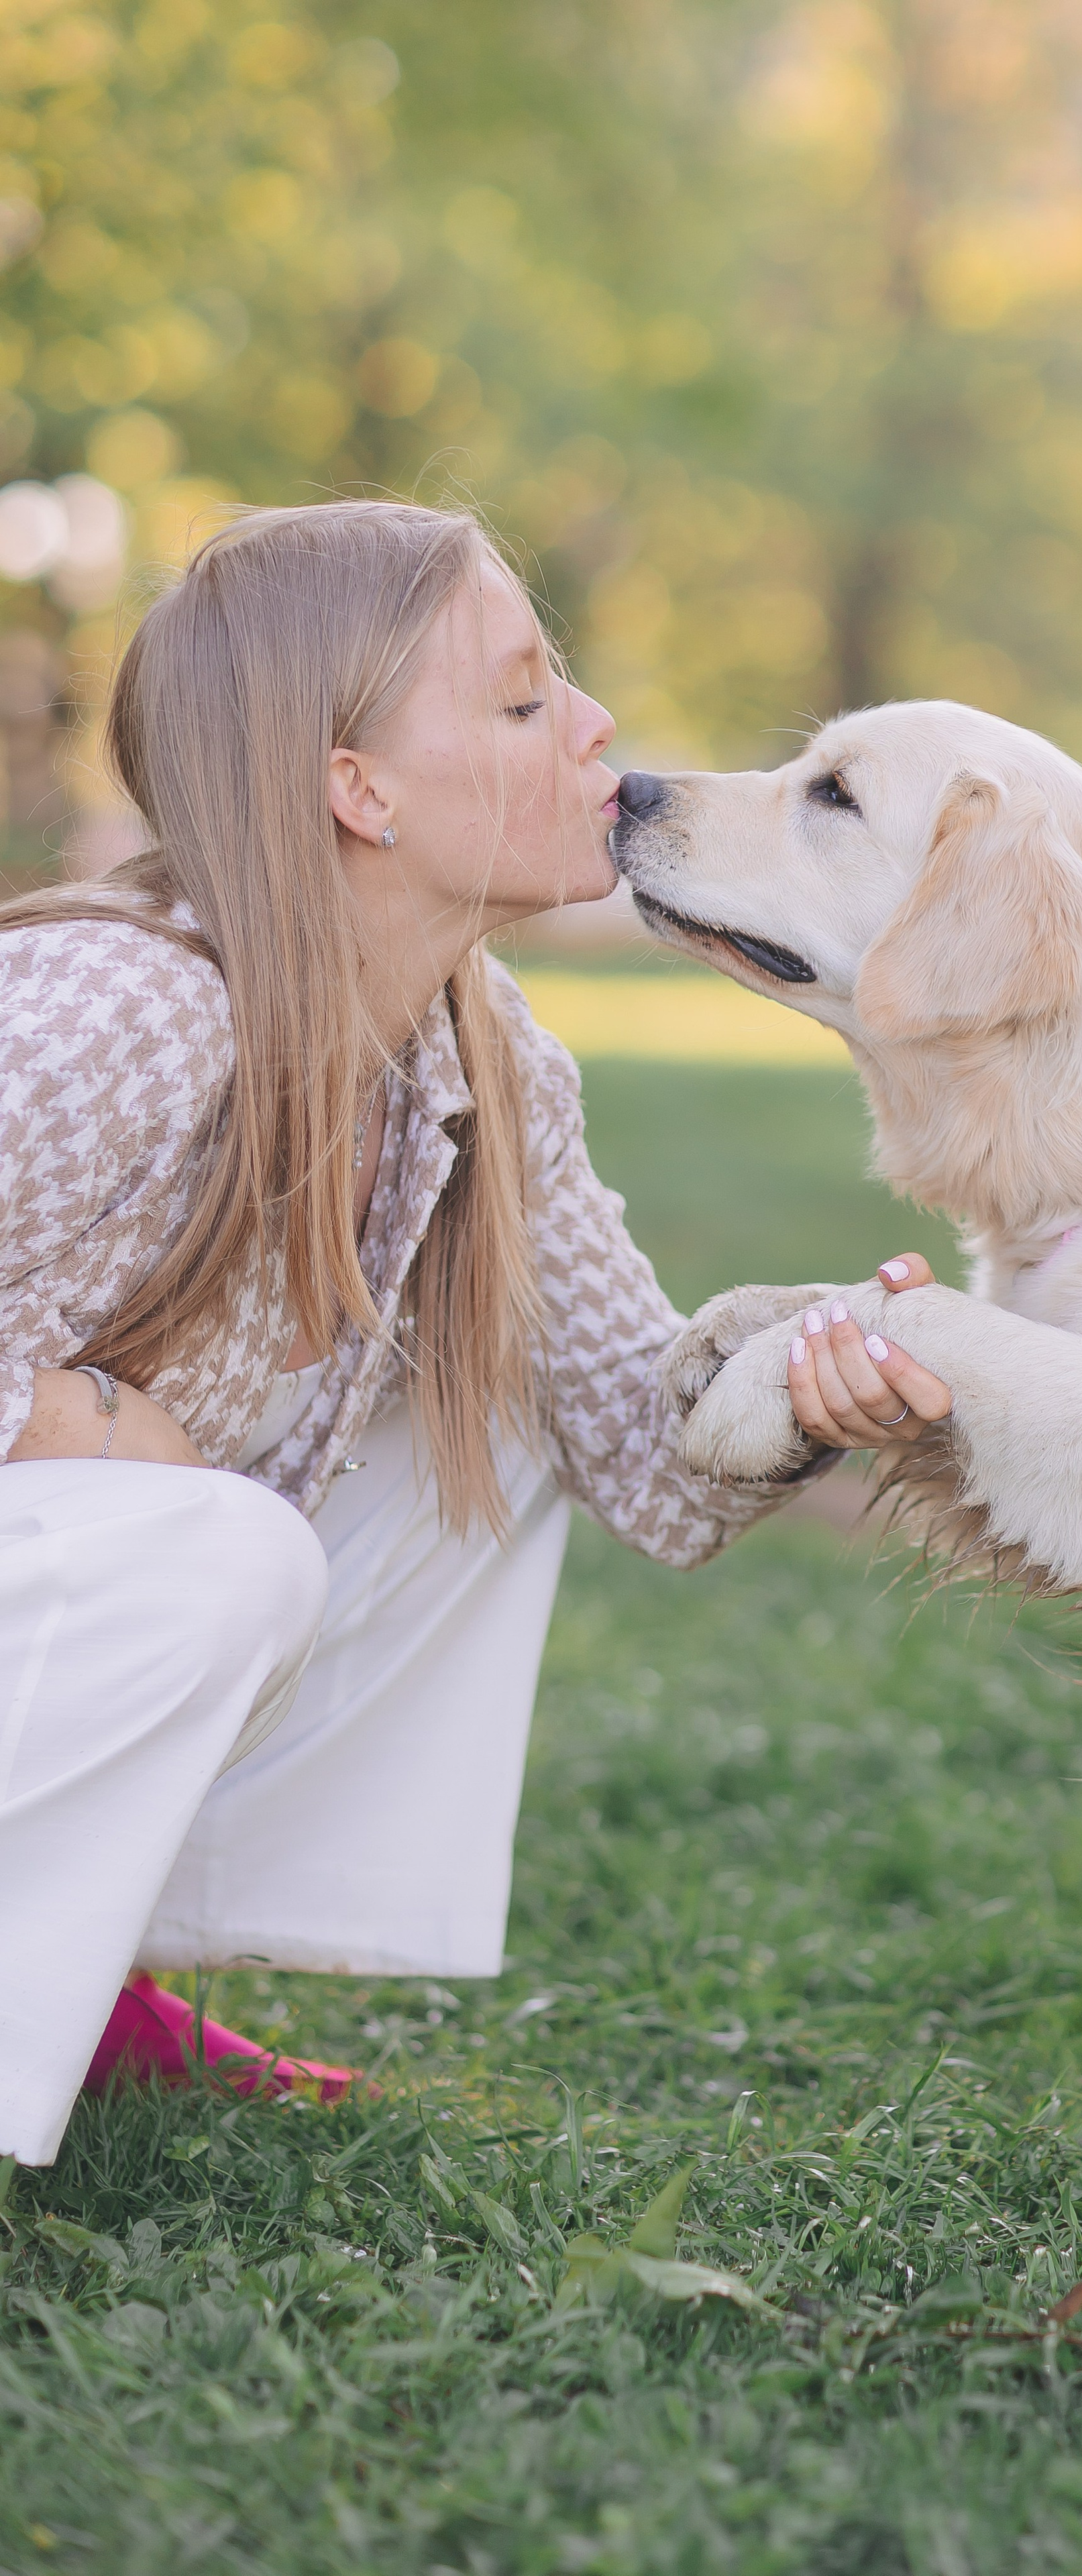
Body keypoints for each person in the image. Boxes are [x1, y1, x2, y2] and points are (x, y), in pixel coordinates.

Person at [0, 498, 951, 2168]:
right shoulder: (124, 1014)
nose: (592, 730)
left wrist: (803, 1377)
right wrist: (74, 1432)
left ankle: (79, 1972)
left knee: (481, 1414)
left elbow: (638, 1459)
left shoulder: (476, 1051)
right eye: (520, 703)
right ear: (354, 789)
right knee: (215, 1552)